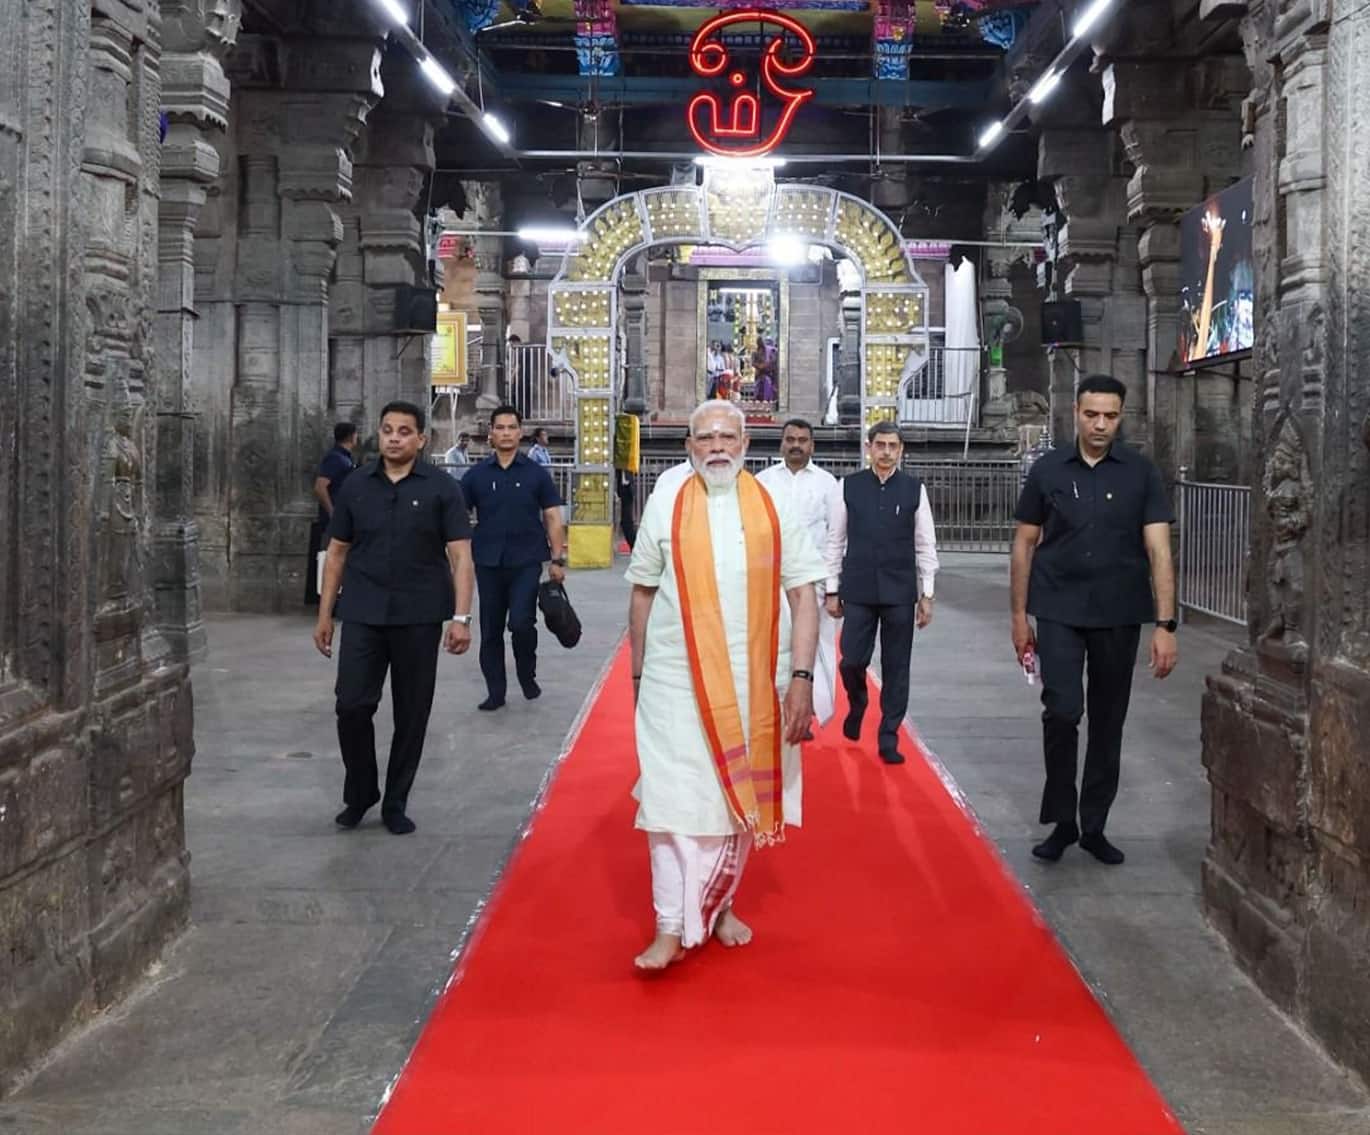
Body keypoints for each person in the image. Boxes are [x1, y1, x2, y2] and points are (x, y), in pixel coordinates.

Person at [626, 400, 825, 971]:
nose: (716, 446)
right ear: (688, 447)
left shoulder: (774, 505)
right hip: (674, 678)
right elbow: (641, 592)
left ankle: (720, 906)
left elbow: (804, 594)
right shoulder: (666, 500)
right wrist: (638, 676)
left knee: (739, 799)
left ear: (744, 445)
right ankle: (669, 924)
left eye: (727, 437)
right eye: (705, 438)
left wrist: (801, 679)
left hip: (754, 679)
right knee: (670, 799)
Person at [1011, 374, 1178, 866]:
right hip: (1058, 607)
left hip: (1119, 611)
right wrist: (1018, 616)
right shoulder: (1047, 471)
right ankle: (1063, 820)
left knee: (1109, 720)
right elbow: (1023, 543)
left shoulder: (1141, 473)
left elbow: (1159, 550)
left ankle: (1095, 824)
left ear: (1120, 416)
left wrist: (1166, 626)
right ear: (1076, 413)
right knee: (1062, 709)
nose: (1100, 424)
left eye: (1109, 415)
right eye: (1091, 414)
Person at [313, 402, 475, 835]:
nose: (395, 438)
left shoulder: (442, 489)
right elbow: (337, 554)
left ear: (421, 439)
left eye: (405, 431)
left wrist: (462, 617)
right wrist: (325, 614)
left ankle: (396, 801)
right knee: (351, 704)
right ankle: (361, 790)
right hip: (363, 611)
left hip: (419, 615)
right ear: (379, 435)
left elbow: (460, 556)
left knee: (411, 712)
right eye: (387, 430)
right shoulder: (356, 486)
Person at [825, 420, 940, 765]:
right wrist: (832, 589)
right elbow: (835, 541)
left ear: (901, 450)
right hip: (858, 587)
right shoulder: (848, 486)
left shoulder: (913, 489)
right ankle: (857, 702)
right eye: (880, 445)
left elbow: (926, 543)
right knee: (852, 659)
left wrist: (928, 593)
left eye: (893, 446)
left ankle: (888, 735)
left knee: (896, 667)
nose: (886, 452)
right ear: (869, 447)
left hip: (900, 590)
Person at [462, 405, 566, 711]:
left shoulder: (536, 475)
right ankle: (496, 691)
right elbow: (457, 515)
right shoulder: (475, 476)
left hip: (526, 561)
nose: (506, 433)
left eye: (511, 427)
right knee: (490, 629)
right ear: (490, 434)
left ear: (520, 433)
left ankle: (526, 674)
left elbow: (552, 516)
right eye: (500, 428)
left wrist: (557, 559)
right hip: (488, 561)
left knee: (521, 623)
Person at [757, 418, 841, 739]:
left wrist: (835, 587)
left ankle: (812, 710)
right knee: (775, 645)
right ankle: (777, 707)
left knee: (814, 645)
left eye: (802, 440)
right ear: (781, 443)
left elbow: (837, 536)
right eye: (790, 439)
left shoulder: (827, 484)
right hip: (772, 579)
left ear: (812, 445)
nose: (796, 445)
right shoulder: (763, 482)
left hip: (815, 580)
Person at [307, 422, 358, 604]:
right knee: (333, 560)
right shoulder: (335, 458)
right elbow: (321, 487)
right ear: (353, 436)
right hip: (335, 520)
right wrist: (332, 512)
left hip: (345, 517)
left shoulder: (345, 458)